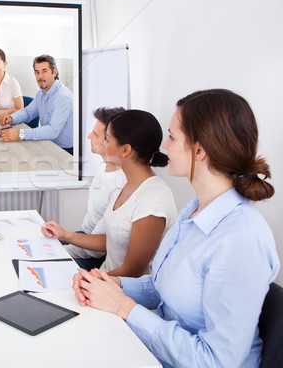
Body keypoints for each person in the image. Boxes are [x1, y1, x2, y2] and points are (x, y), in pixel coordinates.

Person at [73, 89, 279, 367]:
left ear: (199, 150)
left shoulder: (241, 239)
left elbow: (217, 361)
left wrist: (124, 306)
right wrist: (112, 284)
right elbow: (163, 288)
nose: (165, 146)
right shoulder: (193, 211)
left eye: (172, 136)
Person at [42, 110, 177, 277]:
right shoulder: (127, 186)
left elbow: (132, 272)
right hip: (105, 277)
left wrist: (88, 280)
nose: (103, 145)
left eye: (107, 139)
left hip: (119, 288)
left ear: (125, 150)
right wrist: (66, 235)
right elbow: (110, 240)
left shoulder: (154, 202)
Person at [62, 107, 127, 269]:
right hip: (85, 237)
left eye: (95, 135)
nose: (89, 137)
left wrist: (61, 252)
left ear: (111, 141)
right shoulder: (103, 166)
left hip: (98, 253)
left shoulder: (122, 185)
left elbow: (98, 249)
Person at [0, 54, 73, 154]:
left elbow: (53, 131)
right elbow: (28, 112)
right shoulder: (41, 93)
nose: (40, 76)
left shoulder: (63, 97)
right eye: (37, 72)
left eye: (44, 71)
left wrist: (20, 134)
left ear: (54, 73)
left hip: (64, 151)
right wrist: (11, 118)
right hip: (48, 143)